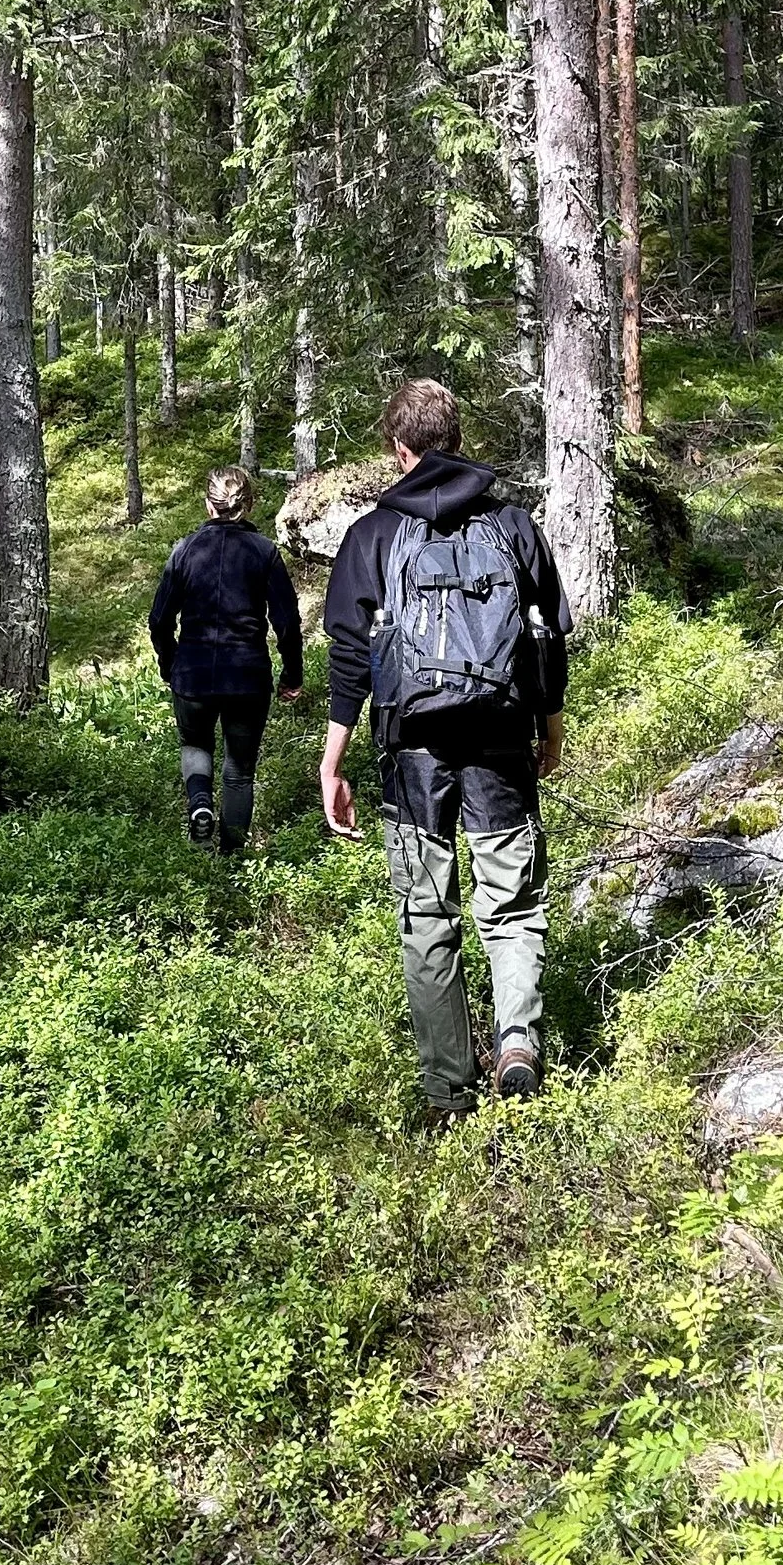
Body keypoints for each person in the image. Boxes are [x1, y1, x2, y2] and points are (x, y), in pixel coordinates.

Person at [319, 379, 572, 1121]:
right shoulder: (514, 524)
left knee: (429, 918)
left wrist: (333, 758)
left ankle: (448, 1091)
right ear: (456, 438)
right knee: (513, 902)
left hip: (412, 751)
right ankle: (518, 1041)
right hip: (499, 738)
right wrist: (549, 728)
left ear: (400, 450)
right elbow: (549, 636)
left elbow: (348, 656)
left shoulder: (373, 534)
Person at [148, 466, 304, 853]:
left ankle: (200, 804)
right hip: (247, 678)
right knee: (239, 771)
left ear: (208, 504)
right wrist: (292, 673)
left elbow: (159, 618)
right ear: (248, 504)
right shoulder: (264, 552)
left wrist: (170, 662)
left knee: (194, 745)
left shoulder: (185, 550)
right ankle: (232, 856)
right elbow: (286, 621)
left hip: (193, 674)